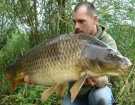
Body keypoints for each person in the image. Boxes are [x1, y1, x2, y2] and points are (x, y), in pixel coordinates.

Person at [22, 2, 117, 105]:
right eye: (74, 21)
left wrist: (97, 80)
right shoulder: (69, 40)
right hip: (77, 94)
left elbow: (108, 78)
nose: (76, 26)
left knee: (101, 98)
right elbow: (53, 69)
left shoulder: (107, 42)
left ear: (94, 19)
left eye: (81, 21)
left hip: (98, 90)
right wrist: (35, 76)